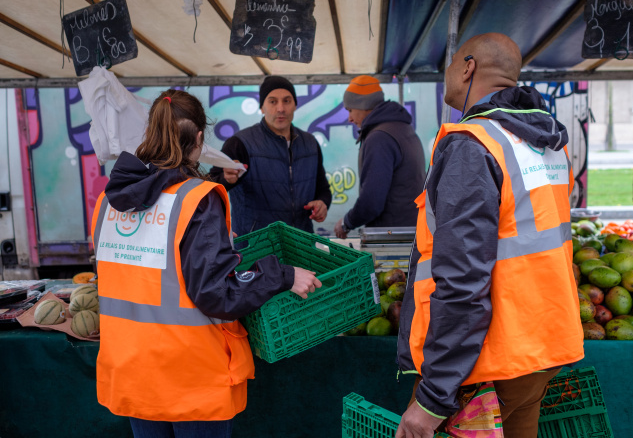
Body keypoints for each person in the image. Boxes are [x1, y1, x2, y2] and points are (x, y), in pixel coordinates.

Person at [91, 89, 321, 438]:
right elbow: (218, 293)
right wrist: (282, 275)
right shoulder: (196, 199)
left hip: (131, 371)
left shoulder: (107, 204)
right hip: (189, 377)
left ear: (151, 133)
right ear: (199, 138)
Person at [395, 33, 584, 438]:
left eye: (448, 65)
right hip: (539, 346)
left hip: (486, 360)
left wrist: (433, 397)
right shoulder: (547, 144)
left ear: (468, 67)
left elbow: (462, 279)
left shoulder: (472, 145)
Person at [209, 75, 332, 237]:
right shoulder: (240, 143)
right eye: (273, 101)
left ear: (295, 104)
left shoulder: (310, 143)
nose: (281, 108)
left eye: (287, 101)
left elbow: (323, 189)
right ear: (262, 107)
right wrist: (226, 180)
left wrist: (322, 203)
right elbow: (211, 186)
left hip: (301, 244)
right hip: (256, 247)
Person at [333, 75, 425, 238]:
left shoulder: (379, 138)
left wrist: (346, 223)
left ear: (363, 105)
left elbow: (371, 201)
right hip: (411, 231)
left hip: (391, 237)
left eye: (350, 110)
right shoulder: (403, 128)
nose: (350, 118)